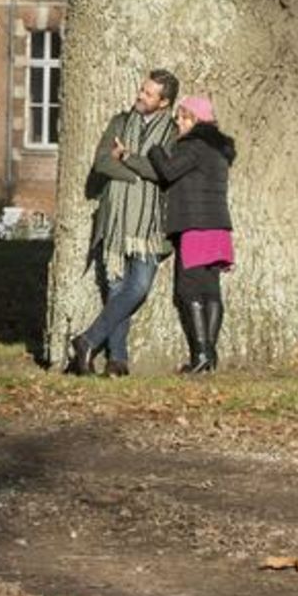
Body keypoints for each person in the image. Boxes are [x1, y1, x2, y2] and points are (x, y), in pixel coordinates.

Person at [67, 69, 179, 376]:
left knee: (138, 288)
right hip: (115, 222)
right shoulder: (120, 122)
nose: (140, 96)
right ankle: (117, 360)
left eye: (148, 93)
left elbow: (164, 172)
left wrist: (128, 158)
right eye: (142, 89)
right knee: (116, 290)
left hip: (149, 227)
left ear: (164, 102)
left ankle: (87, 340)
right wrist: (135, 177)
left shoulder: (172, 133)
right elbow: (102, 162)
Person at [121, 93, 233, 374]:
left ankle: (201, 355)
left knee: (188, 290)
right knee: (211, 290)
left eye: (183, 118)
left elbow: (169, 172)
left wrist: (155, 150)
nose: (178, 123)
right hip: (218, 227)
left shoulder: (193, 145)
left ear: (196, 120)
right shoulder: (218, 149)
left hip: (195, 226)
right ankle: (210, 356)